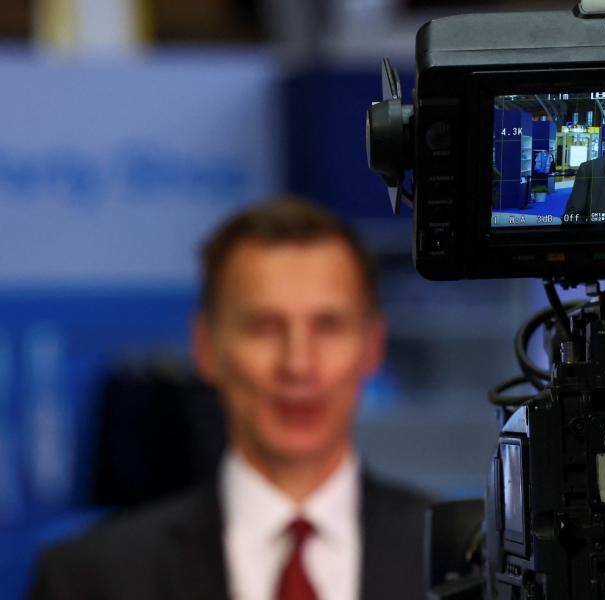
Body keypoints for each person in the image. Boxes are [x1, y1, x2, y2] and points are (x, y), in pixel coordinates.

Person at [30, 198, 432, 600]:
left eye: (328, 326)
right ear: (206, 348)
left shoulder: (464, 559)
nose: (298, 364)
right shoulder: (87, 579)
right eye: (263, 327)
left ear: (373, 346)